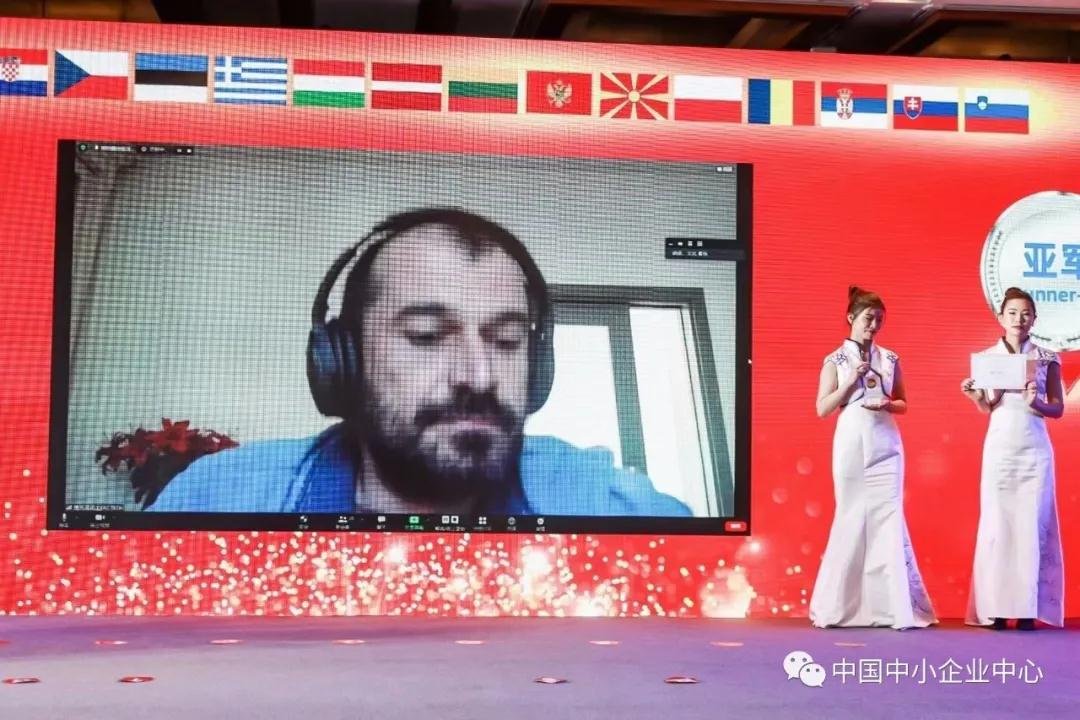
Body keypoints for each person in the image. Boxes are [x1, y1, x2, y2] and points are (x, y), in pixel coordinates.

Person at [149, 208, 690, 517]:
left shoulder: (606, 503)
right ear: (344, 360)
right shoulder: (217, 498)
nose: (479, 376)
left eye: (506, 340)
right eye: (427, 336)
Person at [808, 286, 936, 629]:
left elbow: (903, 402)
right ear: (851, 317)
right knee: (851, 513)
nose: (874, 325)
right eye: (868, 318)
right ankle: (840, 605)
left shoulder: (890, 359)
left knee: (888, 515)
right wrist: (849, 383)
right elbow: (822, 408)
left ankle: (893, 607)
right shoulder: (835, 360)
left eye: (879, 319)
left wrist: (888, 404)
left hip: (885, 441)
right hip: (851, 440)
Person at [961, 287, 1065, 630]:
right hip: (1001, 447)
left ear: (1034, 318)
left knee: (1031, 525)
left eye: (1026, 313)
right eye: (1012, 313)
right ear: (1000, 317)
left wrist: (1037, 403)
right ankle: (997, 608)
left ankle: (1027, 609)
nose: (1019, 319)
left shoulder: (1047, 357)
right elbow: (988, 406)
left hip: (1035, 449)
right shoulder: (988, 358)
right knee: (998, 524)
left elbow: (1058, 408)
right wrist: (975, 396)